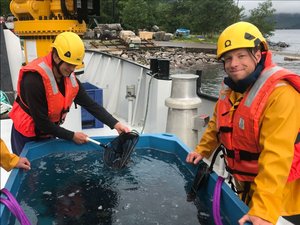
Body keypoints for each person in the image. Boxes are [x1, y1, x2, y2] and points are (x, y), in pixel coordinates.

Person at [186, 21, 300, 225]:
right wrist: (201, 150)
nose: (233, 64)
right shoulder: (231, 89)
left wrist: (264, 210)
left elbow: (277, 155)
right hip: (245, 186)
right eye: (228, 58)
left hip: (282, 197)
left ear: (258, 54)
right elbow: (217, 125)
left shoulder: (282, 93)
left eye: (241, 55)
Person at [9, 31, 130, 155]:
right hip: (26, 135)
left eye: (74, 65)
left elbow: (91, 105)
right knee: (29, 171)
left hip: (50, 132)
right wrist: (72, 136)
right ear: (56, 56)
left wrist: (115, 124)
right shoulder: (33, 80)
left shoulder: (69, 77)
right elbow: (41, 122)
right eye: (69, 64)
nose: (72, 69)